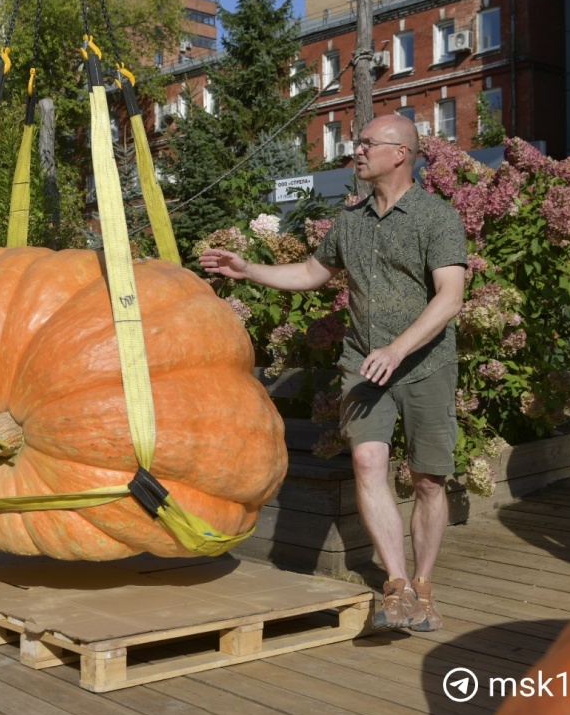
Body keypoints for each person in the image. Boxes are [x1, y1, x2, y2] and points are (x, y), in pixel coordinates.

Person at [200, 114, 467, 632]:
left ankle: (425, 585)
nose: (357, 149)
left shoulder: (436, 217)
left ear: (400, 153)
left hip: (425, 363)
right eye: (358, 141)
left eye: (368, 143)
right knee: (368, 463)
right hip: (363, 363)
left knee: (429, 479)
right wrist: (248, 268)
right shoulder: (352, 219)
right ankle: (397, 585)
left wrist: (398, 348)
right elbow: (312, 273)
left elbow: (450, 297)